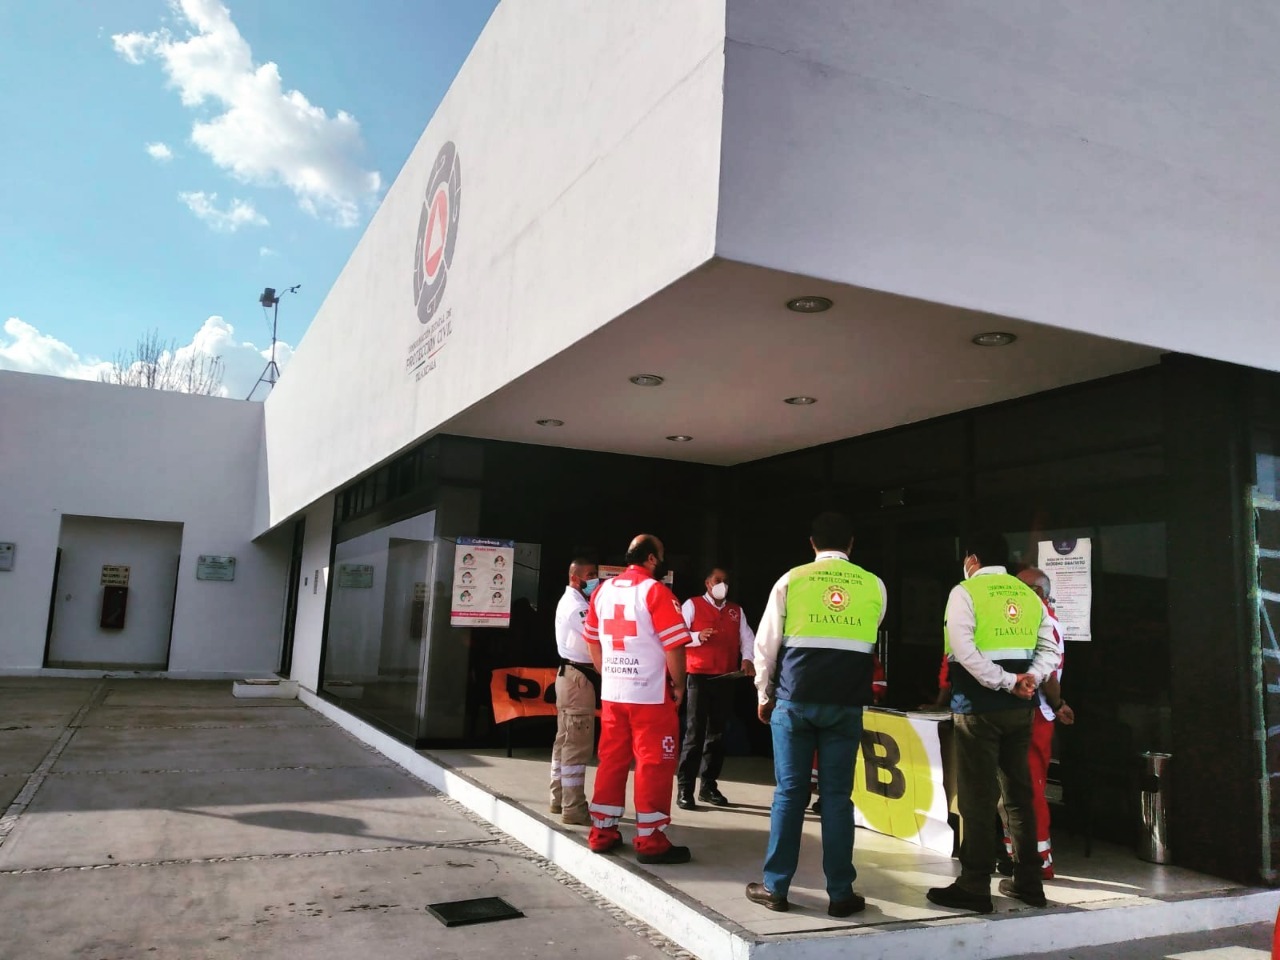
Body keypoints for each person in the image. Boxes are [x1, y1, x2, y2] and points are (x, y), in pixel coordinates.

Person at [746, 512, 886, 916]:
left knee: (790, 794)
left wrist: (763, 694)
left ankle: (775, 888)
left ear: (812, 544)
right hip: (846, 704)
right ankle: (841, 894)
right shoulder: (874, 585)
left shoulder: (791, 580)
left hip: (795, 700)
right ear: (851, 544)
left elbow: (766, 645)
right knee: (838, 799)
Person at [926, 532, 1061, 914]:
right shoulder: (1028, 595)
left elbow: (963, 650)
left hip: (978, 708)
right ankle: (1028, 882)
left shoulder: (964, 592)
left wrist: (1005, 681)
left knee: (977, 797)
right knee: (1018, 795)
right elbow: (1050, 648)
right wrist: (1029, 678)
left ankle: (974, 884)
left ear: (972, 560)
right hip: (1020, 711)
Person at [584, 535, 694, 864]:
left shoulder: (602, 591)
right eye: (661, 555)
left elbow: (592, 640)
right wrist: (679, 684)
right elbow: (674, 645)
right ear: (651, 559)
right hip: (650, 694)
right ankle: (651, 839)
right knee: (654, 762)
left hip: (614, 693)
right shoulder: (656, 592)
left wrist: (609, 673)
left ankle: (602, 831)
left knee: (611, 759)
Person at [996, 567, 1074, 880]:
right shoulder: (1035, 618)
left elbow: (1049, 677)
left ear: (1038, 592)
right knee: (1014, 790)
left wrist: (1058, 704)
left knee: (1029, 789)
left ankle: (1040, 861)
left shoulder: (1045, 621)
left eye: (1020, 587)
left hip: (1037, 714)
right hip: (1026, 712)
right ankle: (1015, 854)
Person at [677, 567, 756, 810]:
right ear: (707, 583)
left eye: (726, 581)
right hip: (698, 676)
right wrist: (696, 636)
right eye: (717, 580)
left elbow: (747, 638)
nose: (722, 584)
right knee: (694, 733)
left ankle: (708, 786)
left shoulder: (735, 610)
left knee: (717, 735)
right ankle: (685, 788)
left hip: (725, 677)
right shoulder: (692, 605)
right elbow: (677, 634)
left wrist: (748, 658)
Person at [549, 558, 600, 826]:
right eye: (589, 575)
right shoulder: (576, 606)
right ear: (574, 577)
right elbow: (597, 635)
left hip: (572, 677)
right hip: (577, 678)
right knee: (577, 746)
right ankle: (574, 807)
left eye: (595, 574)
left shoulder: (578, 602)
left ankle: (559, 799)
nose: (594, 579)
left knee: (565, 741)